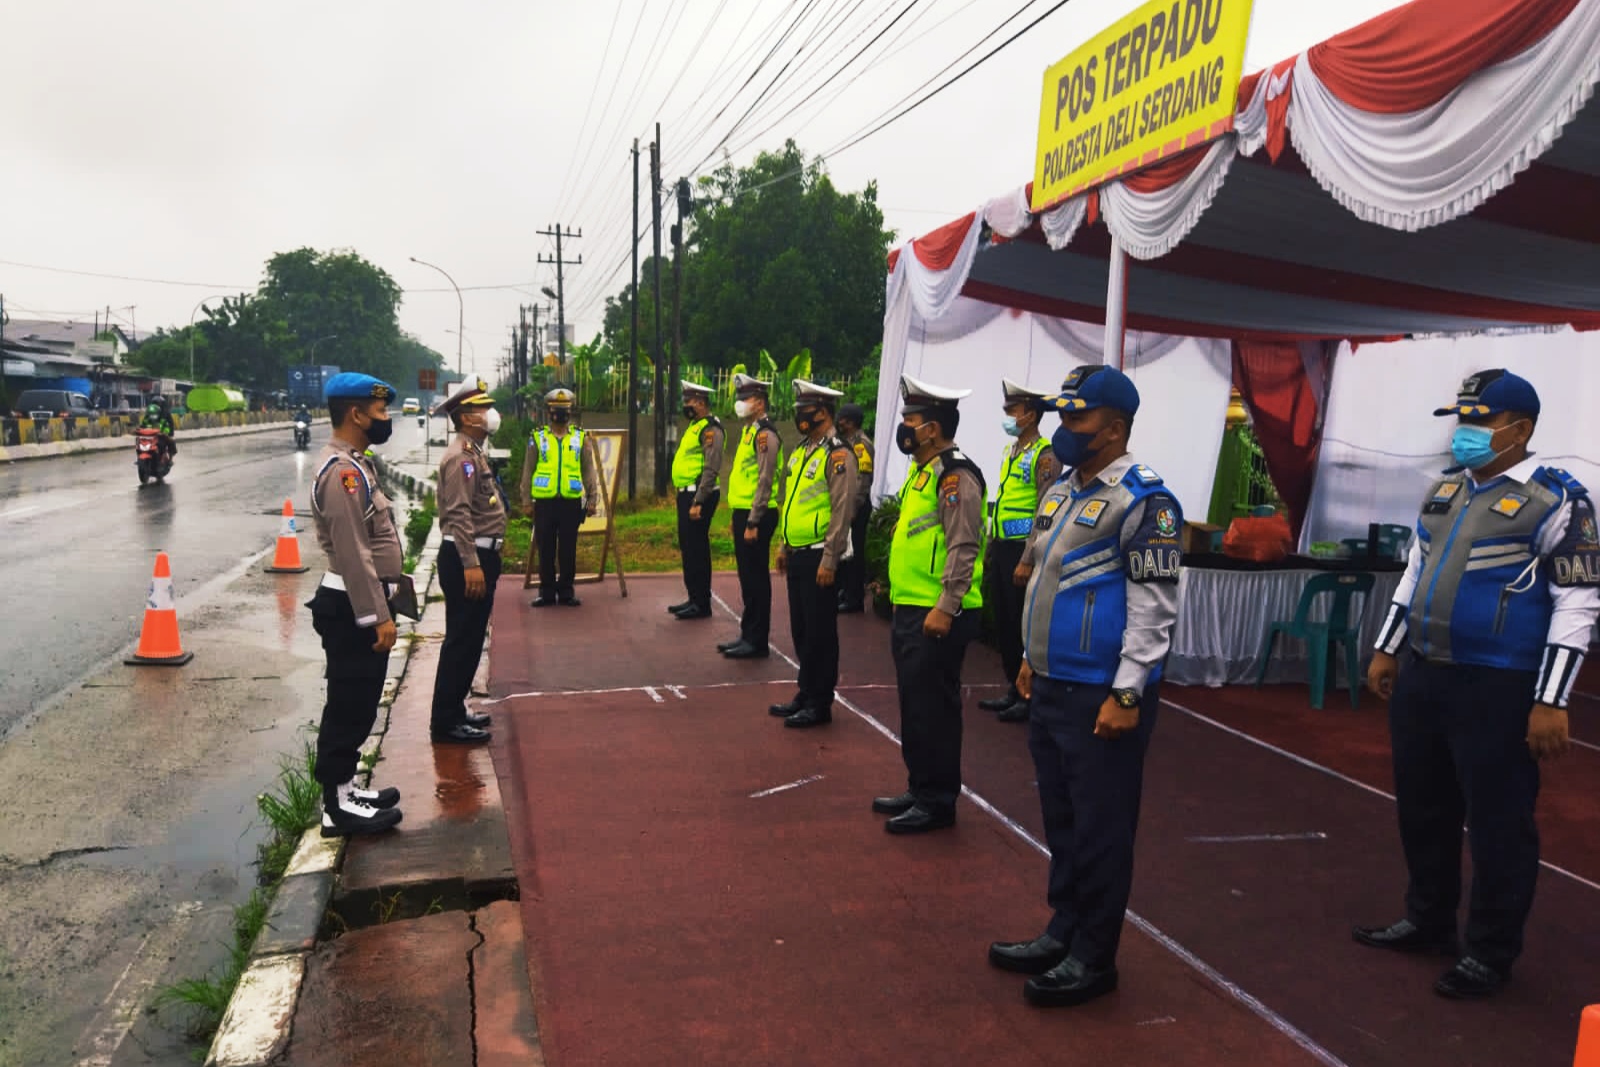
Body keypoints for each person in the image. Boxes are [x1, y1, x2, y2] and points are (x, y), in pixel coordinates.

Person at [1357, 368, 1599, 999]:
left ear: (1519, 430)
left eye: (1481, 421)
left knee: (1498, 822)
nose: (1466, 432)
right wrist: (1387, 649)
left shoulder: (1560, 500)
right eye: (1462, 420)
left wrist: (1551, 700)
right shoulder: (1444, 491)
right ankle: (1429, 919)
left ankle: (1489, 952)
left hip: (1499, 685)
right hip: (1426, 675)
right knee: (1423, 807)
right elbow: (1414, 572)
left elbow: (1576, 603)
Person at [989, 364, 1183, 1008]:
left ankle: (1095, 956)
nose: (1064, 427)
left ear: (1115, 425)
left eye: (1077, 417)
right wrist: (1029, 657)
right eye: (1062, 415)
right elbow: (1044, 577)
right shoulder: (1062, 490)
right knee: (1063, 819)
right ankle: (1063, 928)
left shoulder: (1144, 500)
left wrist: (1128, 692)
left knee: (1102, 826)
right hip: (1051, 683)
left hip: (1101, 694)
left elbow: (1154, 609)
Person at [871, 375, 987, 834]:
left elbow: (964, 546)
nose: (904, 427)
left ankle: (937, 801)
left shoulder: (955, 475)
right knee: (915, 706)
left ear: (933, 429)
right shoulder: (923, 471)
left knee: (933, 710)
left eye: (910, 420)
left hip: (937, 611)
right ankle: (920, 787)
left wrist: (947, 604)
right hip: (912, 606)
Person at [306, 372, 407, 836]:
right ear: (356, 413)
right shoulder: (342, 472)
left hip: (357, 603)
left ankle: (347, 788)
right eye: (381, 410)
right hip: (351, 606)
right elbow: (354, 553)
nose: (386, 418)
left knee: (361, 702)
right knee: (348, 704)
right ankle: (336, 807)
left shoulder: (356, 463)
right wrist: (378, 616)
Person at [770, 379, 857, 728]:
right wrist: (782, 543)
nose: (799, 416)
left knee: (821, 632)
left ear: (822, 412)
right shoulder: (802, 450)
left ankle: (820, 701)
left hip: (820, 554)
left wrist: (830, 559)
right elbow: (789, 501)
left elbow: (843, 509)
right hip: (797, 553)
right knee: (801, 629)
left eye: (804, 410)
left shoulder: (838, 453)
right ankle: (805, 692)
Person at [429, 377, 506, 745]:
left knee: (472, 638)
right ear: (465, 417)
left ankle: (455, 708)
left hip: (477, 554)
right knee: (461, 639)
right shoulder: (462, 457)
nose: (489, 414)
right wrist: (471, 563)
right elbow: (459, 514)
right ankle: (444, 721)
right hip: (467, 558)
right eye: (481, 409)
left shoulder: (472, 452)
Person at [979, 379, 1061, 724]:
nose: (1008, 416)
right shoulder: (1010, 451)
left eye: (1012, 410)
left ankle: (1028, 695)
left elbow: (1044, 508)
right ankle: (1013, 686)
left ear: (1030, 414)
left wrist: (1028, 557)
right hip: (1001, 547)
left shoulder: (1045, 455)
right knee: (1005, 624)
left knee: (1022, 625)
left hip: (1021, 551)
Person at [718, 373, 783, 659]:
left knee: (756, 579)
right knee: (747, 578)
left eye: (746, 399)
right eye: (740, 398)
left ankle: (757, 641)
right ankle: (748, 634)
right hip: (743, 512)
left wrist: (753, 521)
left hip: (758, 514)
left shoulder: (765, 435)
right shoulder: (748, 432)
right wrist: (739, 517)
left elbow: (765, 481)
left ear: (759, 402)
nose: (740, 403)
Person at [521, 387, 599, 608]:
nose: (560, 415)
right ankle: (546, 592)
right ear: (549, 412)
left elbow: (588, 470)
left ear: (570, 412)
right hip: (544, 503)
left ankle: (566, 591)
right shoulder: (537, 438)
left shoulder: (580, 438)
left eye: (564, 410)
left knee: (568, 548)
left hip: (570, 502)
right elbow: (528, 470)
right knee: (545, 548)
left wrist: (592, 499)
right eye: (556, 410)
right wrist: (526, 500)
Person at [667, 380, 725, 621]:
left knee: (697, 548)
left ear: (701, 403)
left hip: (700, 495)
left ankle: (702, 603)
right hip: (687, 493)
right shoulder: (695, 426)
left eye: (689, 401)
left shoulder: (710, 429)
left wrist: (698, 500)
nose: (686, 405)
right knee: (688, 548)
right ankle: (693, 598)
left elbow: (711, 468)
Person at [834, 403, 875, 614]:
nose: (838, 422)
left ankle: (855, 598)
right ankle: (845, 590)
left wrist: (852, 508)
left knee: (855, 553)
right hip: (846, 505)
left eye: (842, 419)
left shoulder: (860, 445)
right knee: (844, 552)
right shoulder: (846, 442)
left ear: (850, 422)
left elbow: (863, 480)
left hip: (857, 506)